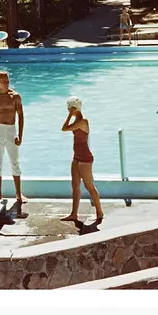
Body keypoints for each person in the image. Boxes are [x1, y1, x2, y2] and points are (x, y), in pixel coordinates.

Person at [60, 96, 103, 227]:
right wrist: (71, 115)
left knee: (89, 186)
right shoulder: (77, 121)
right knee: (75, 185)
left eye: (69, 108)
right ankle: (74, 213)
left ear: (73, 109)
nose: (68, 110)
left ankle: (99, 212)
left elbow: (64, 128)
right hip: (77, 157)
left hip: (85, 158)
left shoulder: (83, 121)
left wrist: (69, 116)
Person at [0, 70, 25, 205]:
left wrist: (20, 134)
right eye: (3, 81)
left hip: (11, 130)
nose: (6, 84)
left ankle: (18, 193)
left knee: (15, 162)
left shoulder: (15, 96)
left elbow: (21, 116)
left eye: (7, 81)